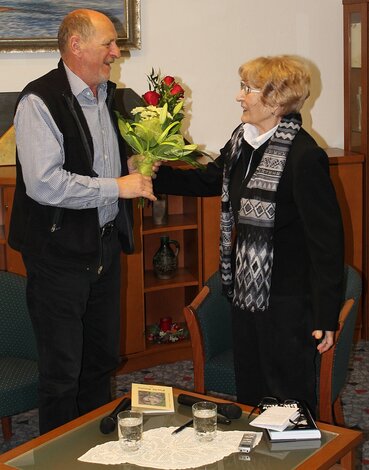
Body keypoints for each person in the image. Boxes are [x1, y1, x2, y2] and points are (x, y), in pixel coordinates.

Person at [153, 55, 344, 414]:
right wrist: (154, 177)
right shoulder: (243, 140)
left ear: (275, 101)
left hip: (288, 301)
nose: (239, 97)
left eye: (248, 89)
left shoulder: (304, 157)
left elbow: (327, 245)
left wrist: (325, 316)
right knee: (252, 389)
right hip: (246, 291)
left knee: (287, 398)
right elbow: (212, 178)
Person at [8, 9, 156, 434]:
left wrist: (135, 165)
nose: (116, 51)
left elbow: (101, 158)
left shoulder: (108, 95)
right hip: (58, 257)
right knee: (62, 372)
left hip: (104, 247)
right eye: (108, 43)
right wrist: (118, 187)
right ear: (76, 45)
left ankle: (97, 447)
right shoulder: (39, 101)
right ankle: (59, 456)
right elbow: (45, 184)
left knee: (100, 363)